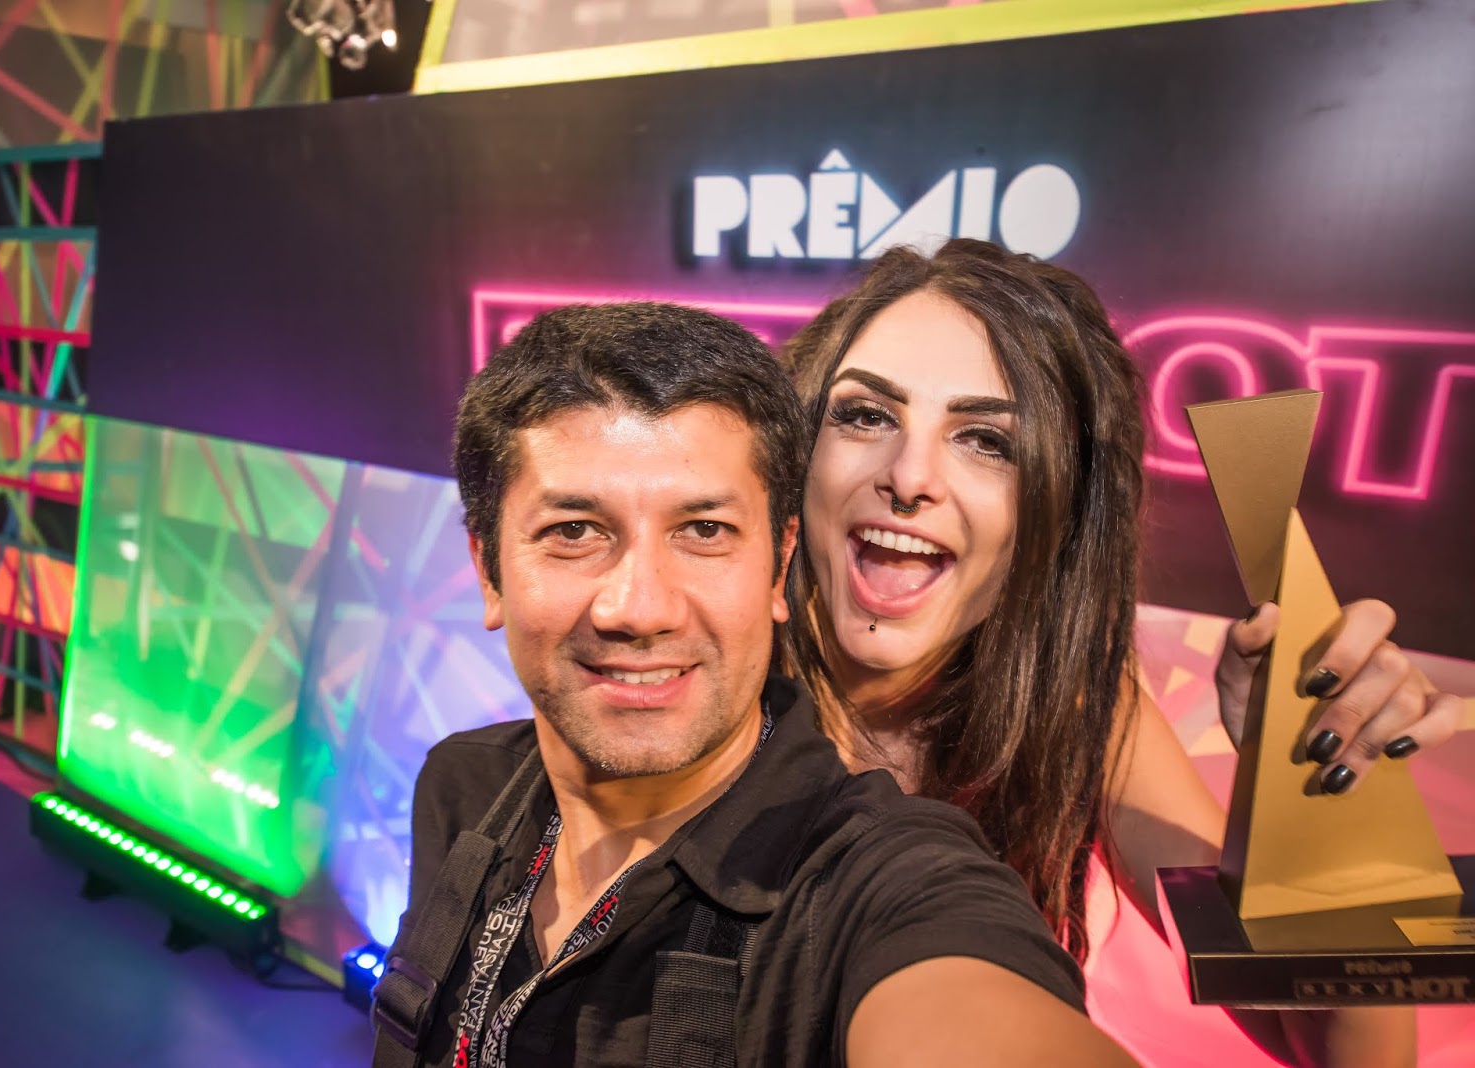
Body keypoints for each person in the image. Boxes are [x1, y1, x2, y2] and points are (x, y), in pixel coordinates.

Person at [371, 302, 1140, 1068]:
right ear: (489, 572)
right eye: (574, 532)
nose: (640, 608)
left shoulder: (874, 882)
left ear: (778, 565)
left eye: (704, 531)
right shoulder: (463, 785)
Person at [779, 239, 1463, 1068]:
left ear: (1060, 510)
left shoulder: (1070, 701)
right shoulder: (706, 673)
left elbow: (1326, 1043)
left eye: (988, 440)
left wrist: (1319, 789)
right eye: (865, 415)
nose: (910, 475)